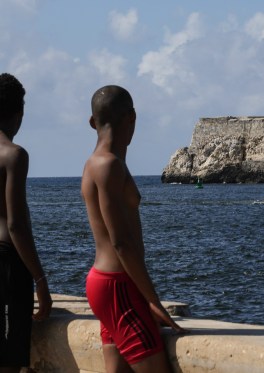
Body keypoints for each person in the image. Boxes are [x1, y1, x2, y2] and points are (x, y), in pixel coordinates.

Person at [81, 85, 185, 373]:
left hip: (102, 282)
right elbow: (121, 243)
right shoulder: (110, 165)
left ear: (92, 123)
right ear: (132, 118)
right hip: (118, 285)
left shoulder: (92, 164)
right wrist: (154, 301)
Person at [0, 73, 52, 372]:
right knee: (12, 357)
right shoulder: (15, 155)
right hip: (8, 260)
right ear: (19, 112)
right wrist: (40, 281)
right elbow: (17, 225)